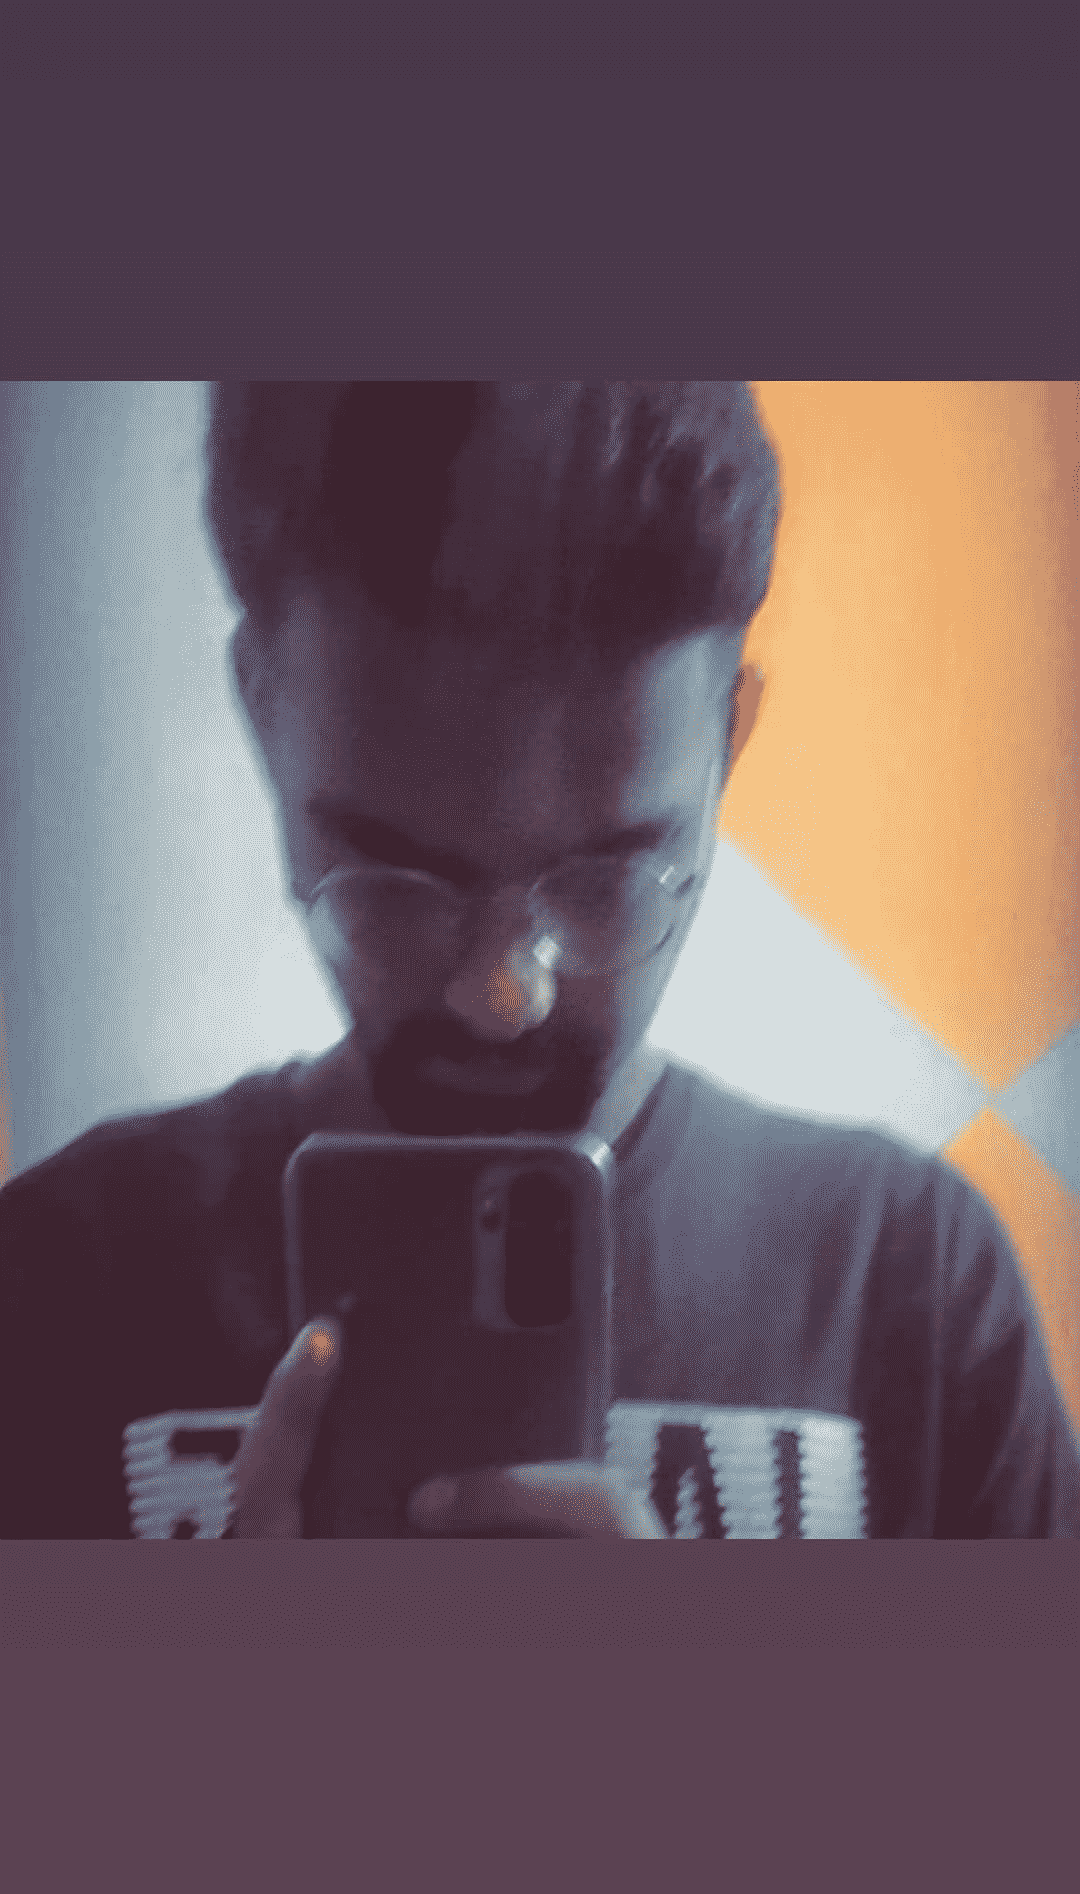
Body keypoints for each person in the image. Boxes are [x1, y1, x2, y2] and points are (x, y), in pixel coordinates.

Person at [2, 381, 1077, 1540]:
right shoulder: (55, 1282)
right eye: (392, 881)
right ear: (262, 710)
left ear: (727, 738)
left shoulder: (914, 1283)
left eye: (608, 879)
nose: (502, 994)